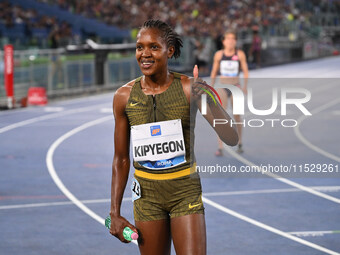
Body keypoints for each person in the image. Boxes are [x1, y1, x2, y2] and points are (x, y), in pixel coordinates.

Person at [109, 19, 238, 255]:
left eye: (153, 47)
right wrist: (114, 213)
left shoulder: (190, 89)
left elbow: (231, 137)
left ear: (169, 51)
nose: (145, 54)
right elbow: (120, 159)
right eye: (140, 47)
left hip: (184, 192)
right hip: (147, 197)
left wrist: (208, 98)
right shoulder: (124, 97)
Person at [210, 30, 249, 155]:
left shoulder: (240, 54)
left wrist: (245, 86)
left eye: (233, 39)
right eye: (228, 38)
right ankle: (220, 146)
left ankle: (240, 142)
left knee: (237, 116)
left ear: (236, 41)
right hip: (222, 87)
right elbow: (214, 71)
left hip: (235, 86)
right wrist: (210, 87)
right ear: (224, 41)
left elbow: (246, 71)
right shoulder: (219, 55)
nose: (230, 41)